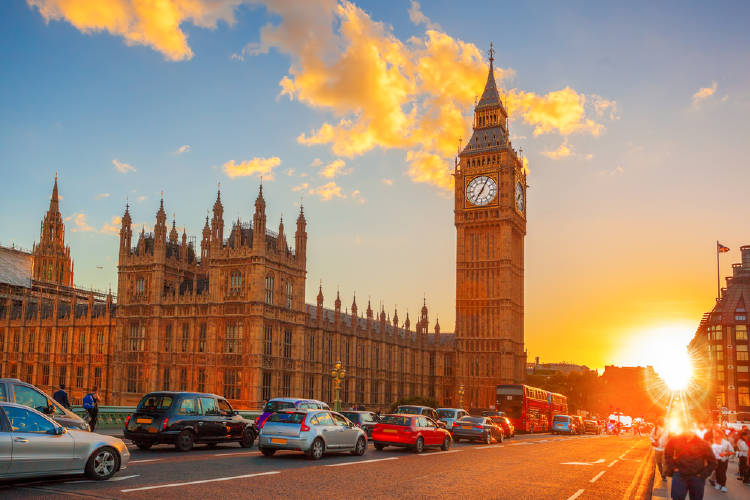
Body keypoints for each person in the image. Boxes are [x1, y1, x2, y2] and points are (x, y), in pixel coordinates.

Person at [665, 426, 717, 500]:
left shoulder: (703, 444)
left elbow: (713, 462)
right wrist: (673, 468)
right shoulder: (675, 440)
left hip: (697, 477)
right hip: (680, 475)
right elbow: (667, 453)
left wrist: (702, 474)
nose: (689, 431)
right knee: (677, 497)